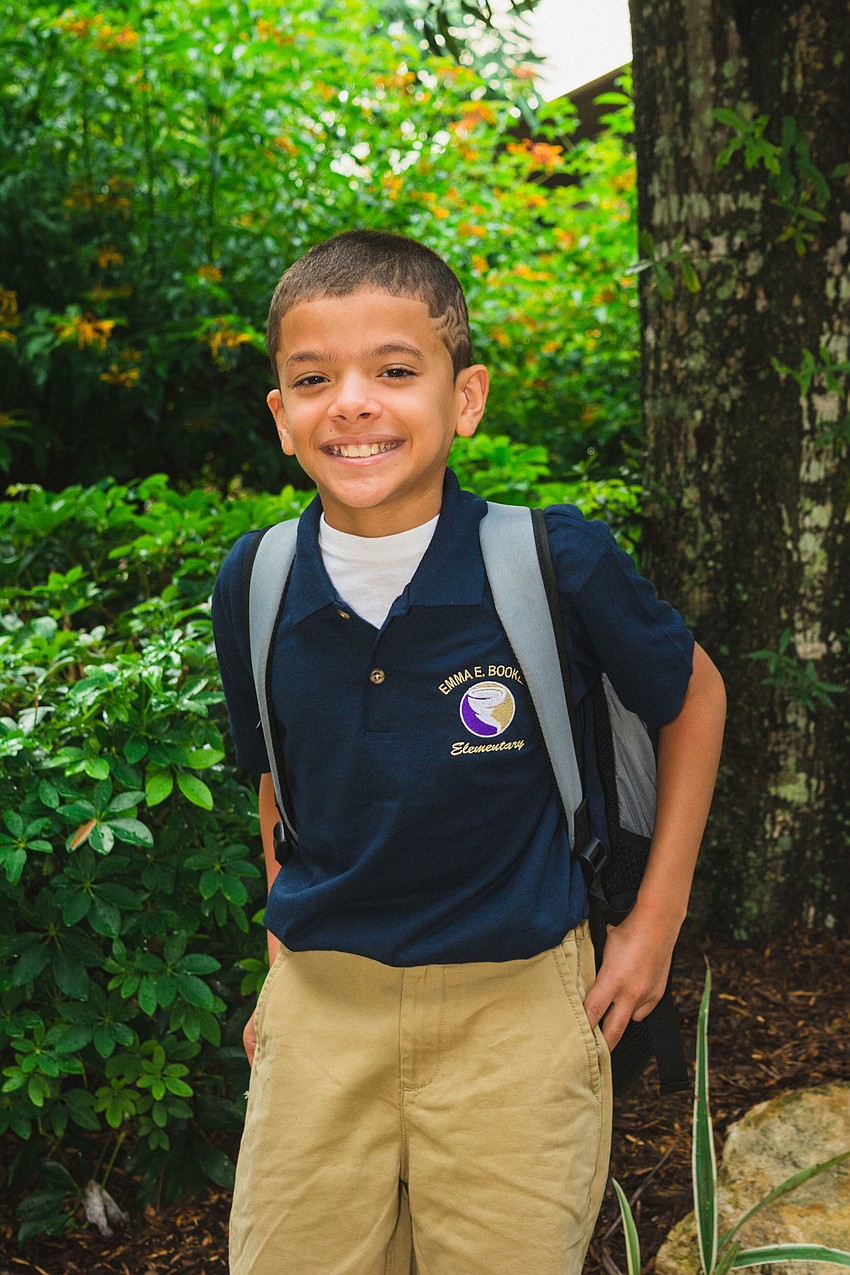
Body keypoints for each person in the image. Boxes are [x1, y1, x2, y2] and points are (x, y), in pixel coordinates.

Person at [211, 229, 727, 1275]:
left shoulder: (553, 562)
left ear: (465, 397)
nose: (352, 402)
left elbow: (695, 695)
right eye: (313, 379)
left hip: (517, 1010)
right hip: (324, 1006)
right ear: (280, 416)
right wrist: (280, 958)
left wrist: (653, 923)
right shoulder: (256, 581)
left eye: (395, 371)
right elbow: (278, 782)